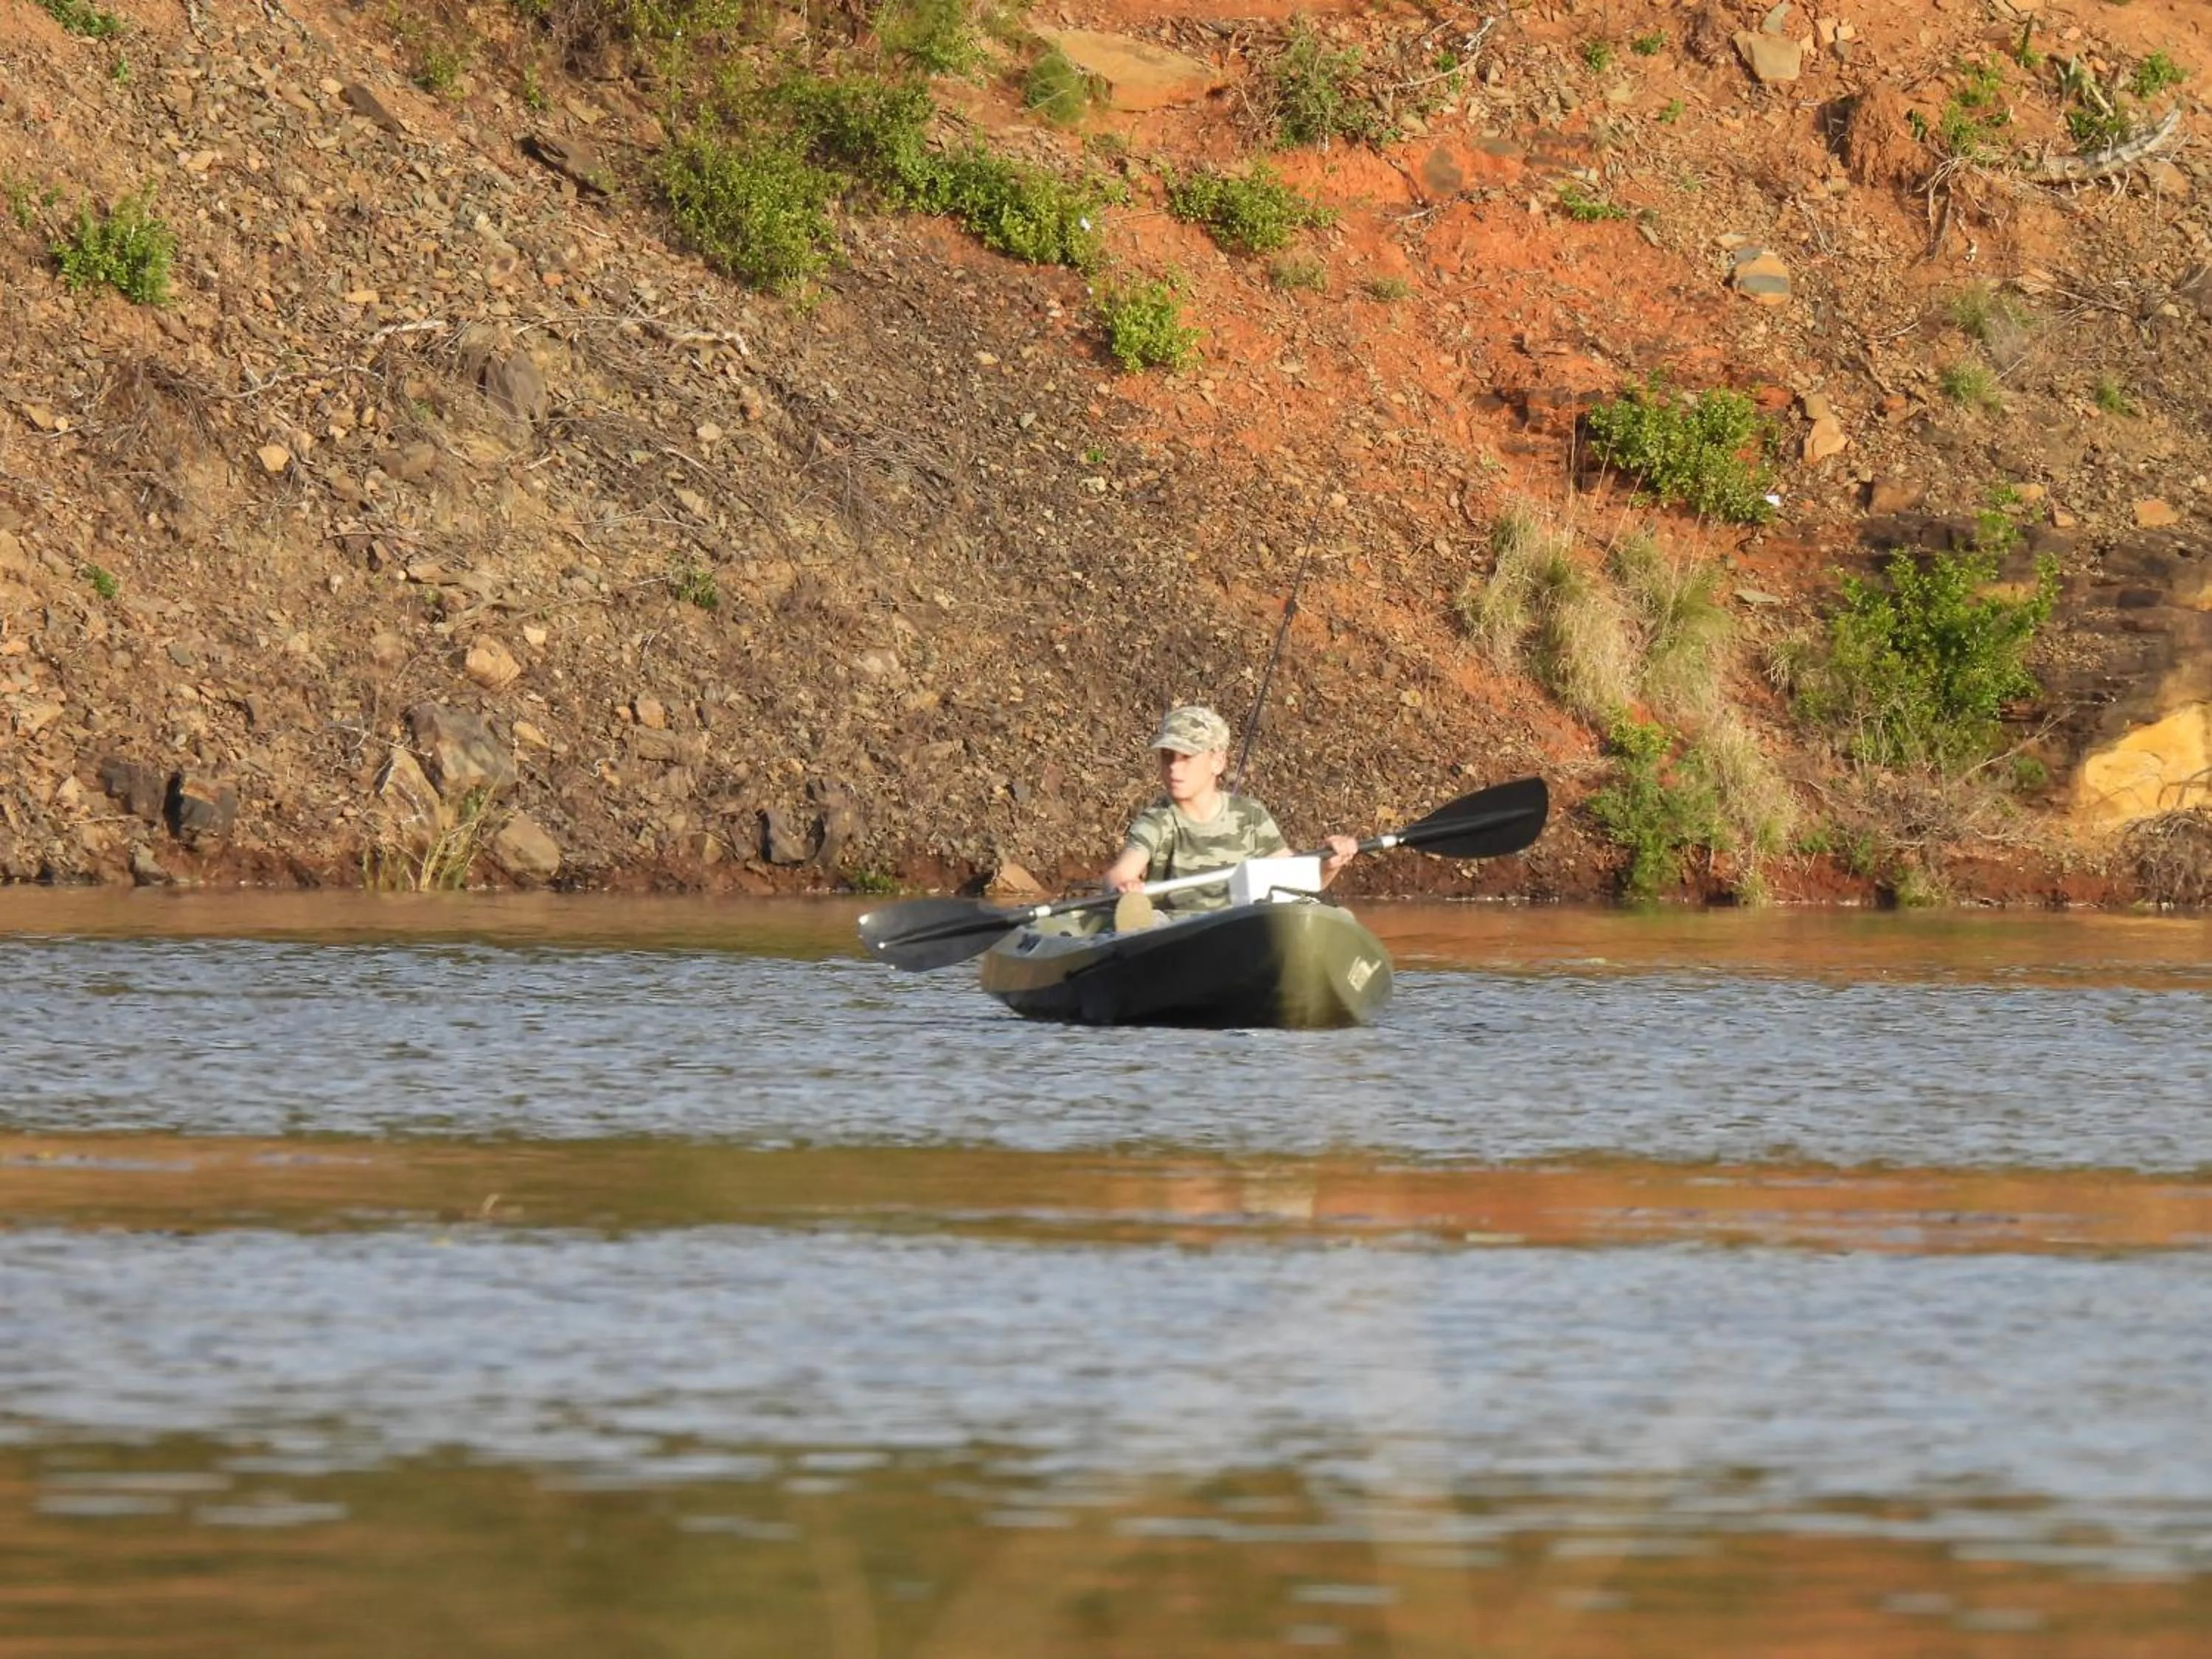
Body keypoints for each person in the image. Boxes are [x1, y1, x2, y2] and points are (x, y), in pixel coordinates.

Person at [1099, 705, 1358, 916]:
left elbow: (1295, 881)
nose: (1174, 769)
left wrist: (1330, 865)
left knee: (1335, 916)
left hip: (1242, 932)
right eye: (1168, 756)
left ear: (1218, 762)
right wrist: (1124, 887)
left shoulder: (1250, 816)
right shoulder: (1158, 819)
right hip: (1177, 937)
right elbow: (1120, 873)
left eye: (1187, 757)